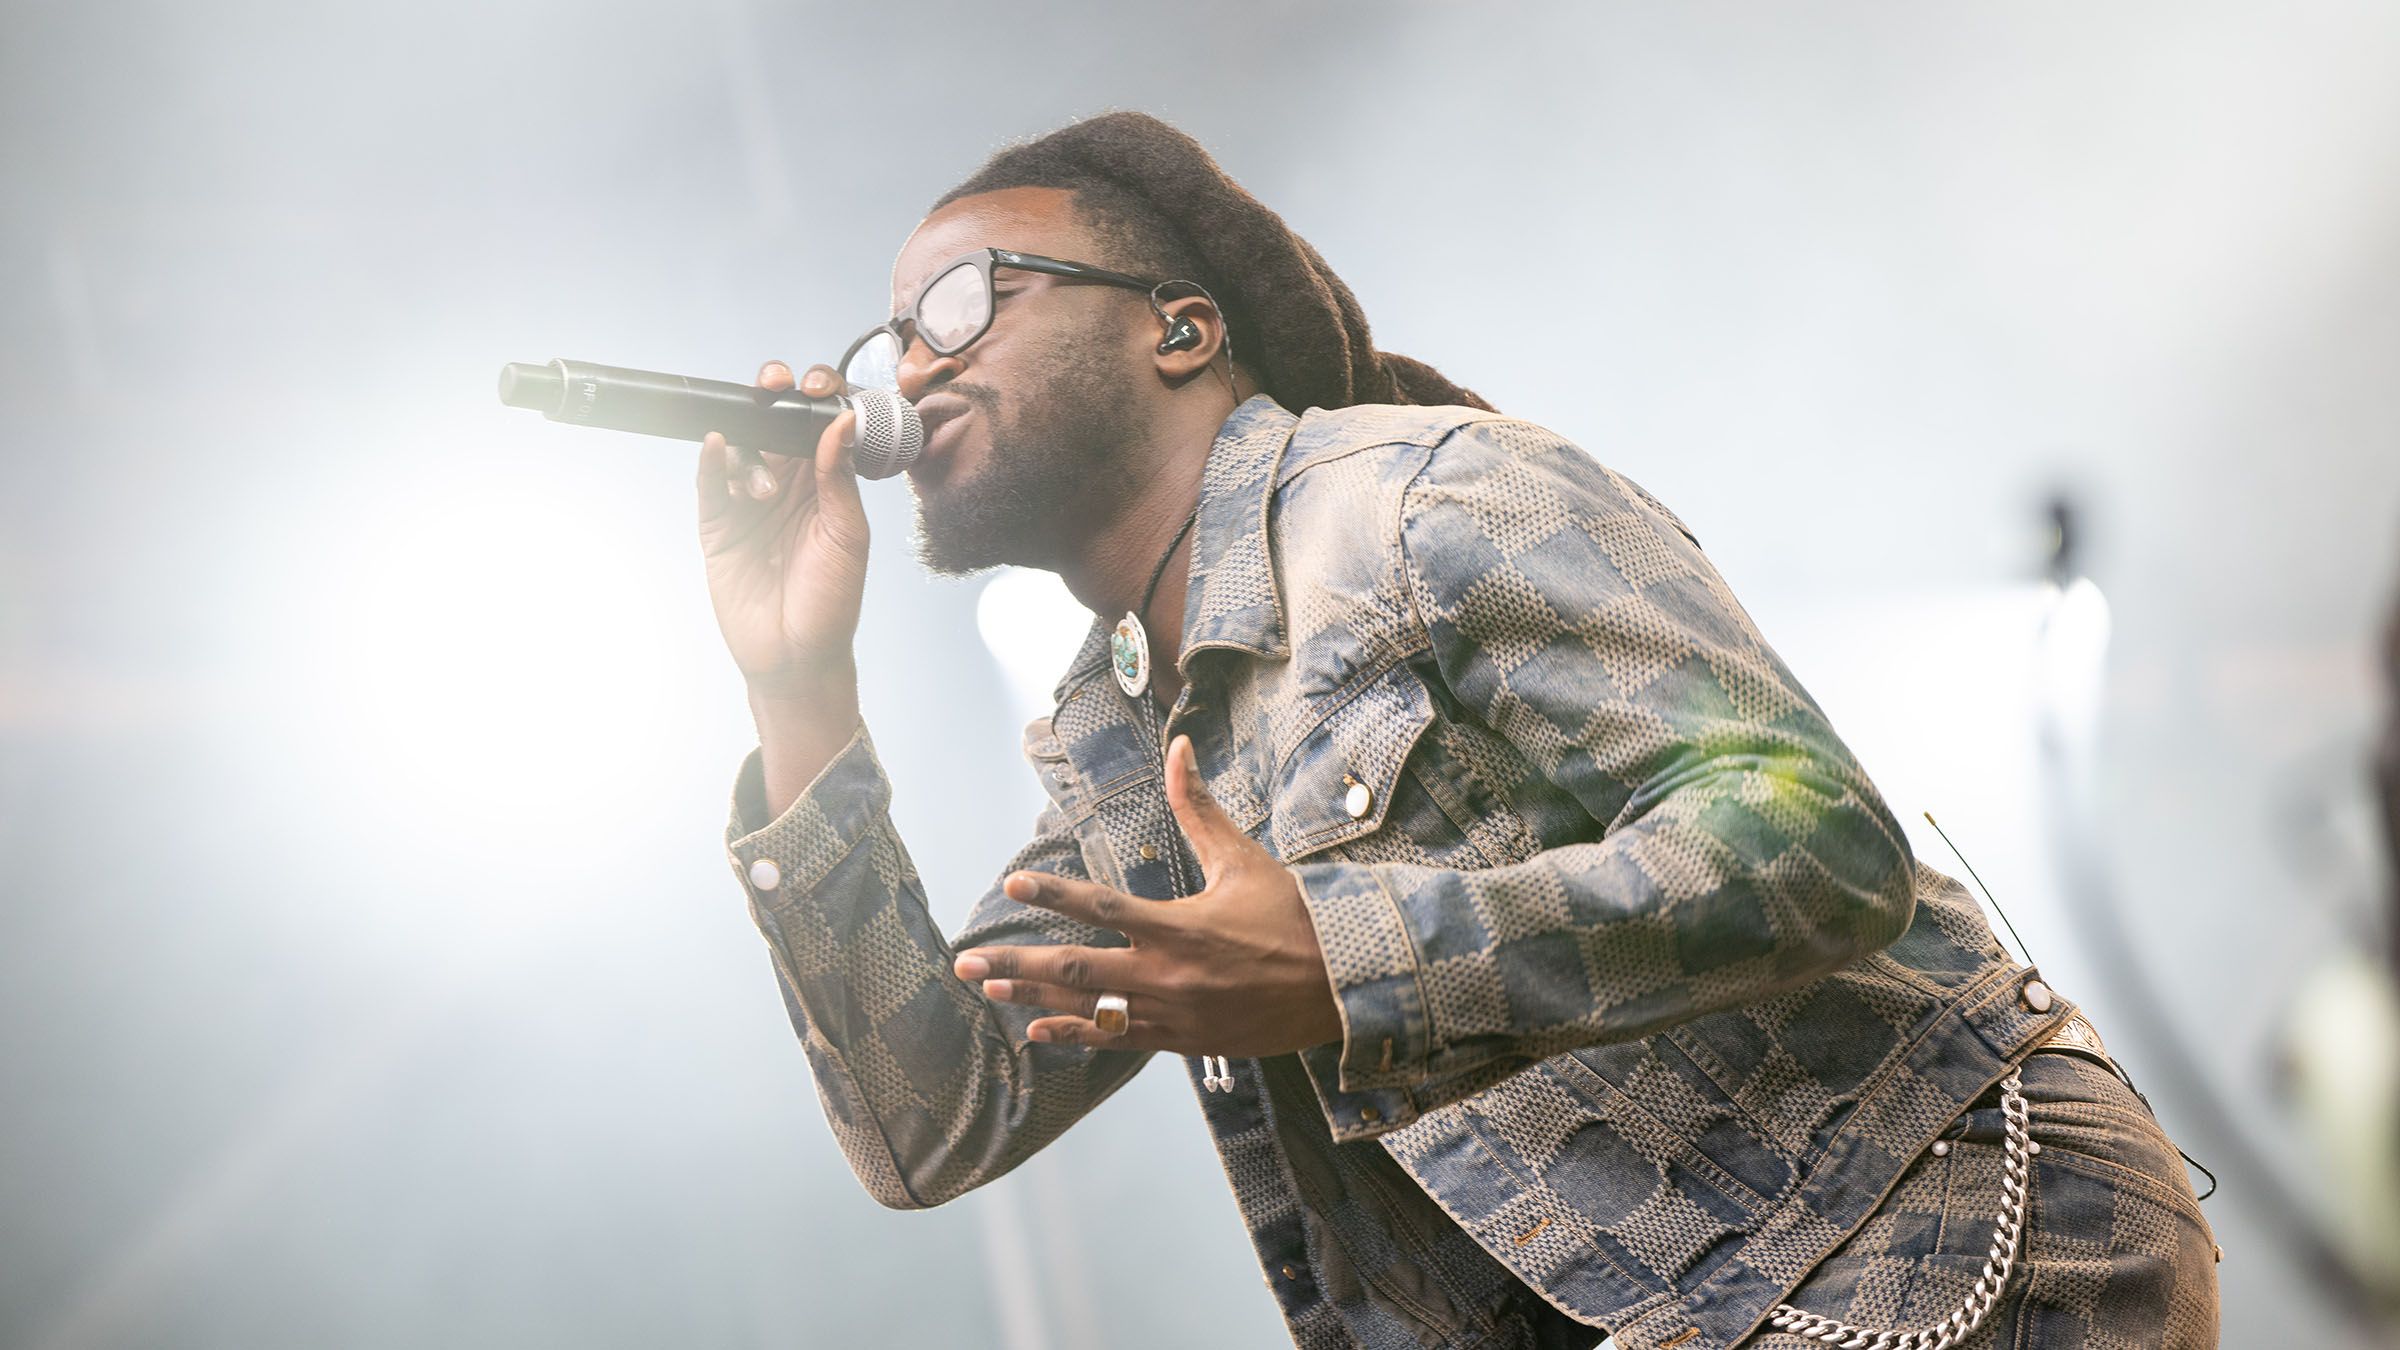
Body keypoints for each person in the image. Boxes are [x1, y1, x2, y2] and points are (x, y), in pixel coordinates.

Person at [695, 111, 2218, 1349]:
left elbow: (1816, 841)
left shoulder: (1425, 499)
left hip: (1913, 1244)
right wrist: (798, 684)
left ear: (1180, 328)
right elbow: (934, 1116)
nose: (913, 366)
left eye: (964, 302)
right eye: (893, 337)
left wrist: (1346, 961)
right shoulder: (1124, 750)